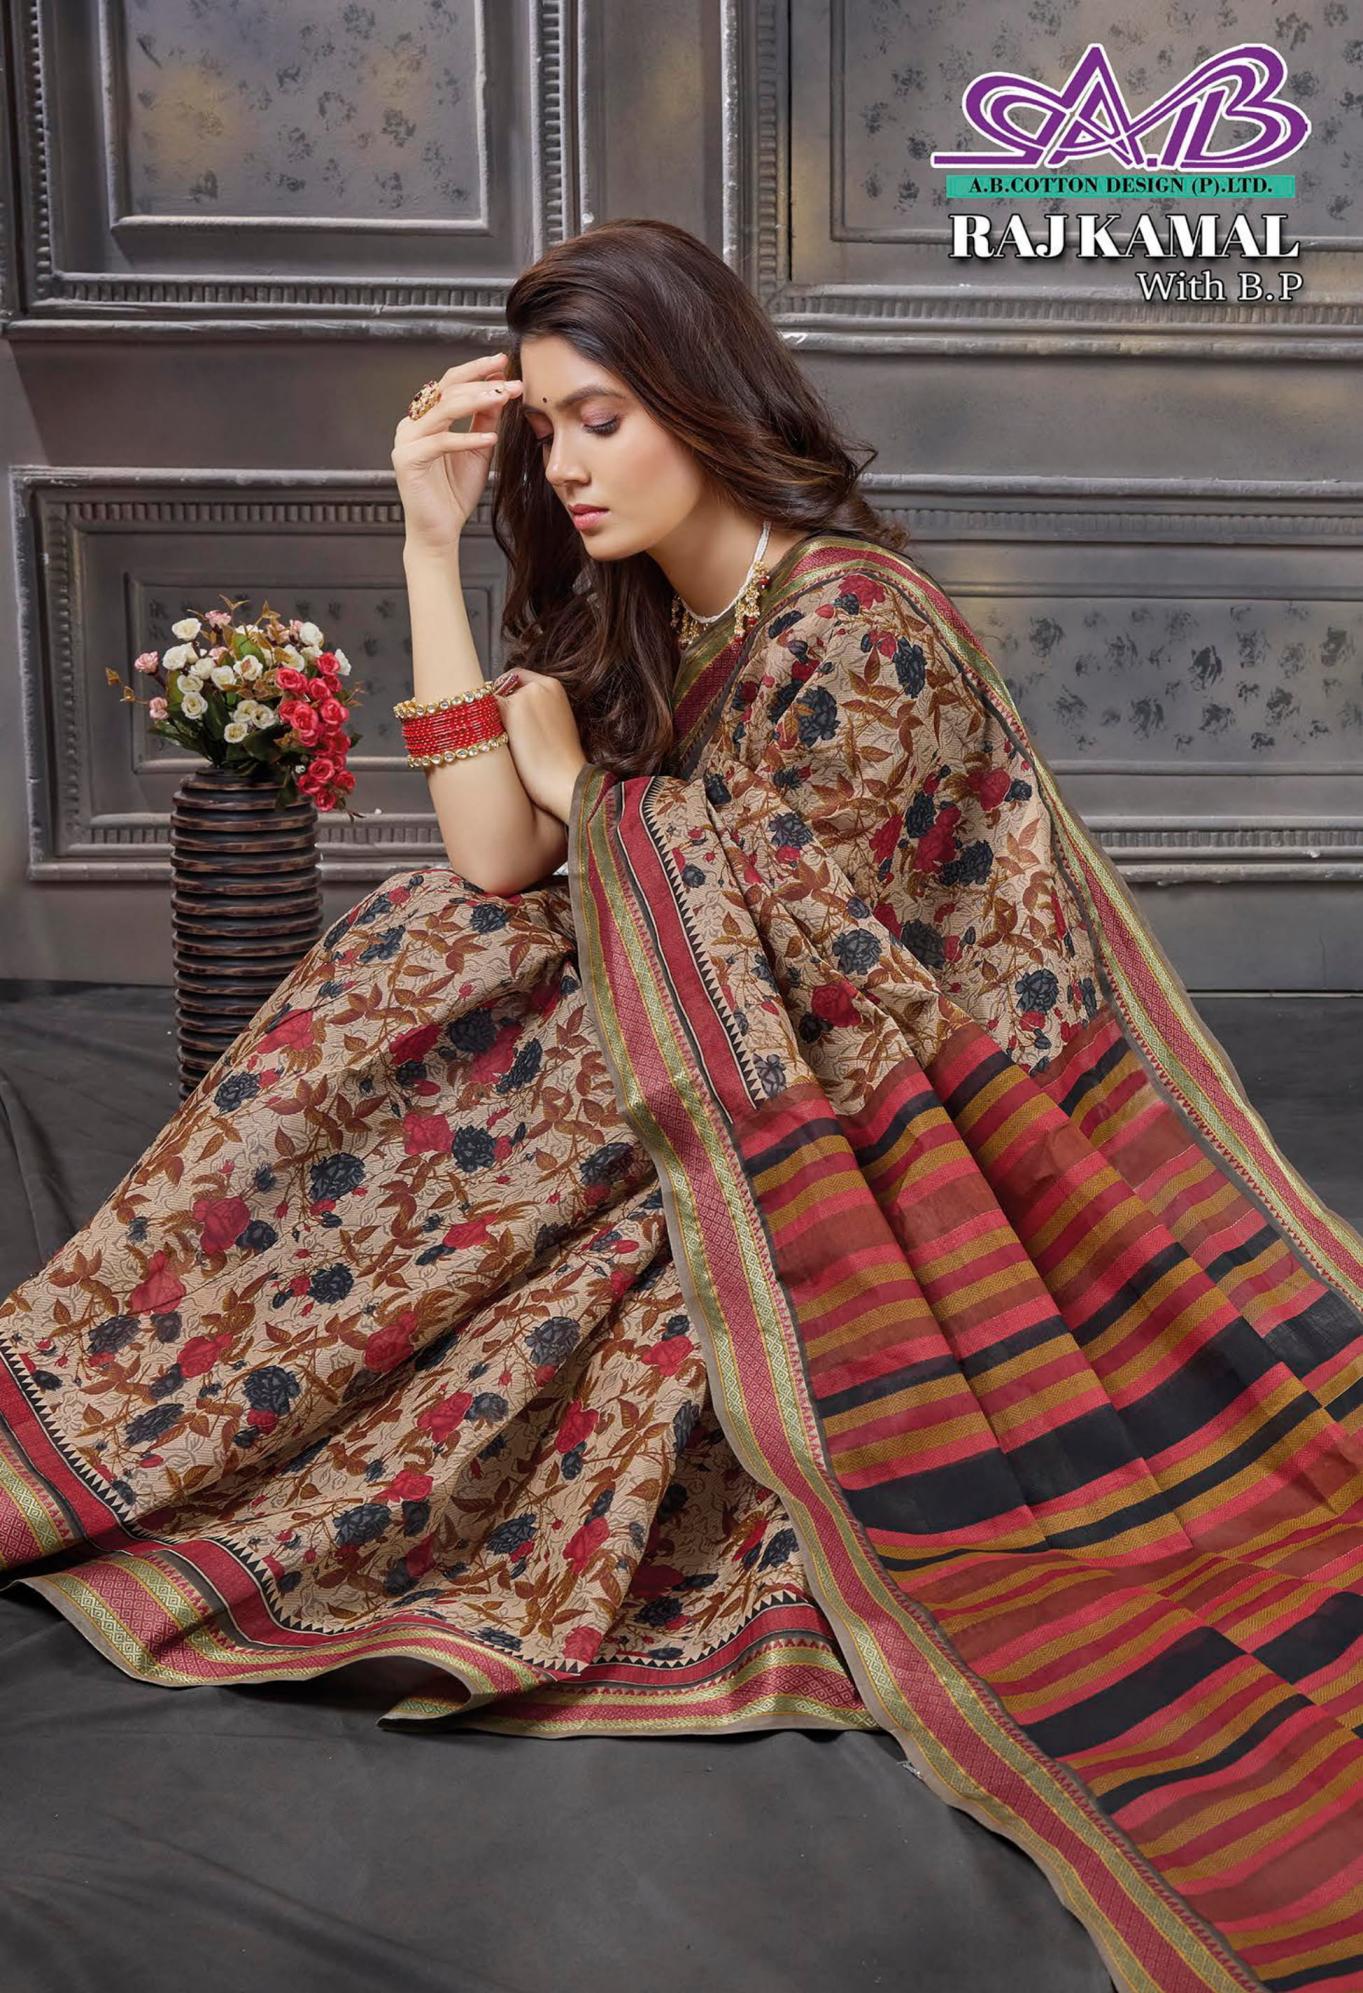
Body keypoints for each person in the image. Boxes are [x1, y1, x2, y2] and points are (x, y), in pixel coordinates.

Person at [3, 217, 1363, 1993]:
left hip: (879, 1116)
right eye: (544, 431)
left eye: (604, 419)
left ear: (704, 400)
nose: (568, 468)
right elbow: (496, 859)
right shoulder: (636, 601)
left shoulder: (864, 621)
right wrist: (423, 544)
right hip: (672, 1039)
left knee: (463, 1022)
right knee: (418, 942)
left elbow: (835, 970)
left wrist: (591, 794)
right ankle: (131, 1378)